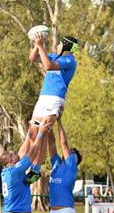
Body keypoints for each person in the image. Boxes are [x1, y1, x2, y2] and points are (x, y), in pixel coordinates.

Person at [25, 33, 79, 183]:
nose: (56, 46)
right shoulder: (54, 56)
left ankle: (35, 170)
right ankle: (28, 165)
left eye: (59, 44)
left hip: (55, 99)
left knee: (44, 133)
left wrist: (41, 45)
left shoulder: (69, 60)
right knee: (33, 133)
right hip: (43, 99)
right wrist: (37, 44)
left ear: (65, 46)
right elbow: (33, 58)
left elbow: (48, 66)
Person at [47, 117, 83, 213]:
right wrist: (48, 128)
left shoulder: (71, 167)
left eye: (74, 154)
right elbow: (53, 144)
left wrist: (60, 121)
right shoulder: (56, 164)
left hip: (65, 212)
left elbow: (63, 144)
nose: (71, 153)